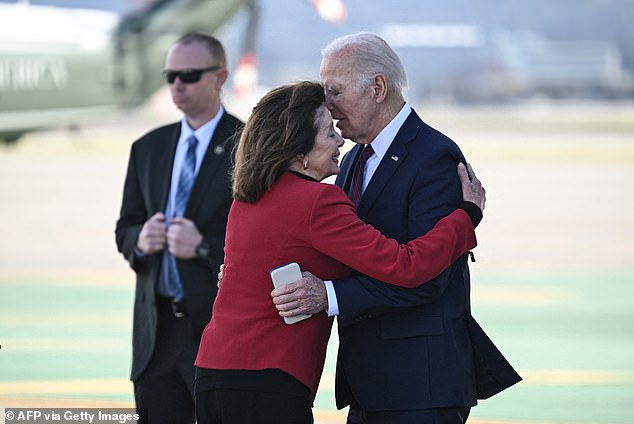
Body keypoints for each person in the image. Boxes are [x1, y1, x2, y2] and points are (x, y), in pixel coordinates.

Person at [193, 81, 486, 424]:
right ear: (298, 149)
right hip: (267, 381)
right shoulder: (318, 201)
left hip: (212, 375)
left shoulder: (247, 199)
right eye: (327, 132)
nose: (340, 141)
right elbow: (405, 265)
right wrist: (467, 217)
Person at [272, 32, 521, 424]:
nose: (327, 104)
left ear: (378, 88)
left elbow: (429, 275)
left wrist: (330, 296)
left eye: (334, 90)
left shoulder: (433, 156)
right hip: (372, 383)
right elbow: (346, 250)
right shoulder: (352, 159)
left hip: (419, 384)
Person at [114, 32, 243, 424]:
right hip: (156, 337)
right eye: (170, 75)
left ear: (220, 77)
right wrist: (140, 240)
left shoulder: (249, 146)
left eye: (188, 74)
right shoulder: (147, 147)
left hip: (216, 332)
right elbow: (125, 228)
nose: (176, 85)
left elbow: (265, 242)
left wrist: (203, 247)